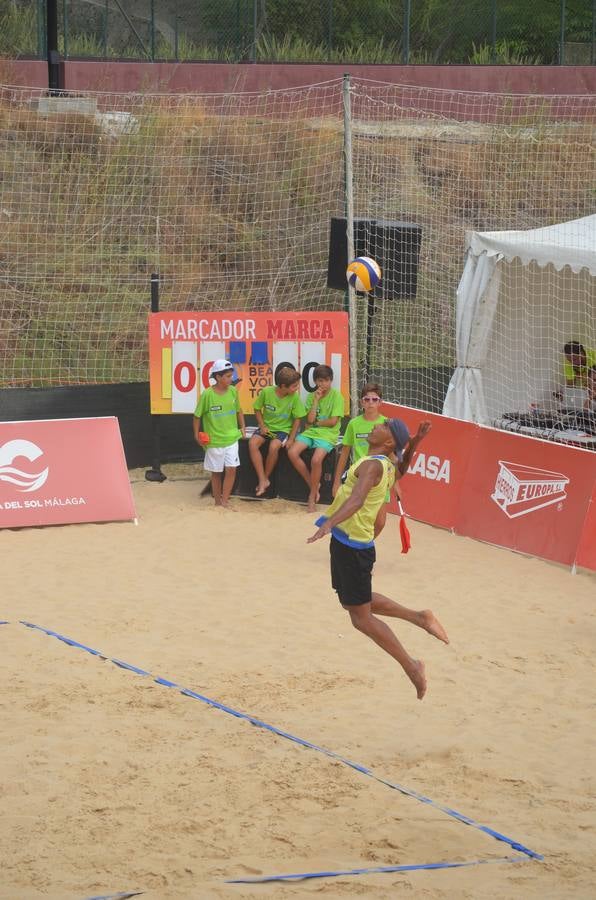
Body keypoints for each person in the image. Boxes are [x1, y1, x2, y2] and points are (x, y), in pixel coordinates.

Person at [307, 418, 448, 700]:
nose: (377, 424)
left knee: (360, 618)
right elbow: (403, 468)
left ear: (388, 442)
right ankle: (419, 617)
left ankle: (412, 667)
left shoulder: (373, 465)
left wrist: (328, 523)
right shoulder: (382, 463)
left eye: (384, 425)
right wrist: (416, 441)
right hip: (348, 542)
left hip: (352, 546)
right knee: (355, 602)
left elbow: (357, 499)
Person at [333, 383, 431, 534]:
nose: (370, 403)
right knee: (352, 517)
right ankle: (352, 546)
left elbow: (392, 456)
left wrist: (395, 484)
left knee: (379, 523)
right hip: (360, 478)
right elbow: (344, 453)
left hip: (380, 479)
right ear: (361, 402)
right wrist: (336, 482)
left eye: (374, 399)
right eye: (367, 399)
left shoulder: (387, 425)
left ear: (380, 402)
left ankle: (364, 545)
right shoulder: (353, 424)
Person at [288, 364, 344, 513]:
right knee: (292, 453)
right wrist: (316, 401)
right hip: (311, 433)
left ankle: (312, 496)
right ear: (315, 382)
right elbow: (310, 419)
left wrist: (317, 423)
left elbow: (333, 421)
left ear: (331, 380)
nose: (322, 384)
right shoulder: (312, 396)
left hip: (328, 434)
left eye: (325, 380)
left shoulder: (337, 396)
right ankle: (314, 484)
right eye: (319, 381)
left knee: (316, 460)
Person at [193, 359, 246, 509]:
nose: (231, 379)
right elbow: (197, 416)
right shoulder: (207, 395)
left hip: (232, 438)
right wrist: (196, 435)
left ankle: (225, 501)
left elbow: (238, 410)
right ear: (217, 377)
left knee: (232, 469)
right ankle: (217, 502)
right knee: (216, 472)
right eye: (228, 376)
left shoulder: (234, 391)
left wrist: (242, 426)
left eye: (231, 376)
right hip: (214, 441)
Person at [249, 366, 305, 496]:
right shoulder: (266, 392)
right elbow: (257, 409)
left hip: (283, 430)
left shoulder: (294, 397)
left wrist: (291, 439)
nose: (297, 388)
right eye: (294, 386)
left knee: (274, 446)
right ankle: (262, 479)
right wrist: (262, 426)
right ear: (283, 386)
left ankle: (265, 479)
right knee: (252, 444)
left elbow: (297, 419)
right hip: (267, 428)